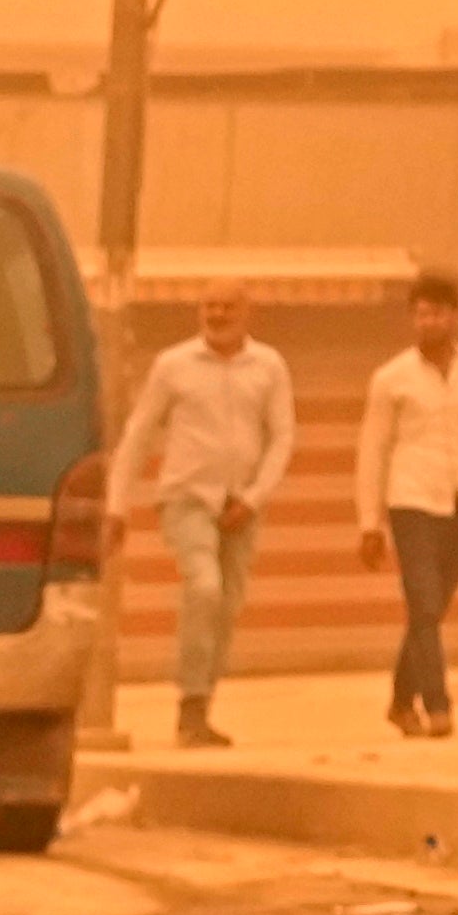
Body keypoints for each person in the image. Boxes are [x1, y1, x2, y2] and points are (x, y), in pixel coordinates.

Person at [110, 284, 298, 747]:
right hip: (186, 498)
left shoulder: (269, 366)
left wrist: (253, 498)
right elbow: (137, 435)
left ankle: (202, 709)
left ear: (246, 312)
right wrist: (116, 504)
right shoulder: (173, 365)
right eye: (209, 306)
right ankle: (189, 705)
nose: (217, 314)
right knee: (204, 587)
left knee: (227, 606)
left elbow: (282, 439)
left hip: (243, 505)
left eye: (227, 306)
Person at [349, 272, 458, 738]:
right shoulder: (392, 379)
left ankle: (401, 702)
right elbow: (373, 450)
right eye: (420, 314)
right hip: (411, 501)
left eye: (437, 313)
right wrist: (369, 523)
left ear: (455, 317)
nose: (428, 322)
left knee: (432, 609)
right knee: (422, 603)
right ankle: (437, 704)